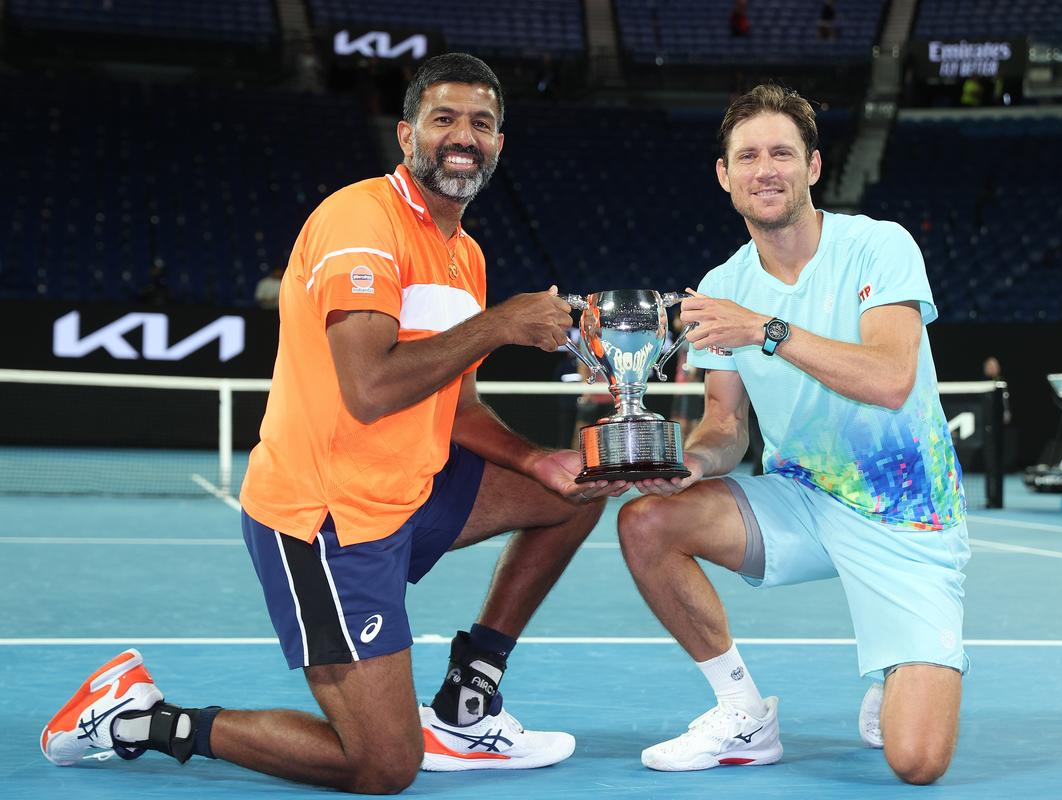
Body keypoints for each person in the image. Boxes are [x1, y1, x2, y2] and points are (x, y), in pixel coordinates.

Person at [40, 53, 628, 793]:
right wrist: (502, 323)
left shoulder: (464, 253)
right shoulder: (361, 221)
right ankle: (141, 718)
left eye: (481, 122)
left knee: (572, 493)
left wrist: (539, 462)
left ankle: (466, 701)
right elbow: (371, 389)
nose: (463, 135)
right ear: (406, 134)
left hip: (407, 491)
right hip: (325, 520)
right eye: (444, 118)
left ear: (500, 144)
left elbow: (460, 409)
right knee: (382, 765)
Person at [617, 83, 969, 785]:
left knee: (917, 762)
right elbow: (726, 427)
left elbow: (891, 377)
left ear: (812, 166)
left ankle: (899, 664)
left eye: (781, 152)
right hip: (802, 501)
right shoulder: (721, 283)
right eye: (747, 156)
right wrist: (687, 464)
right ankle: (742, 713)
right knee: (648, 521)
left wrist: (766, 331)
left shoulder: (877, 245)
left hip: (908, 517)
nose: (764, 169)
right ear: (725, 175)